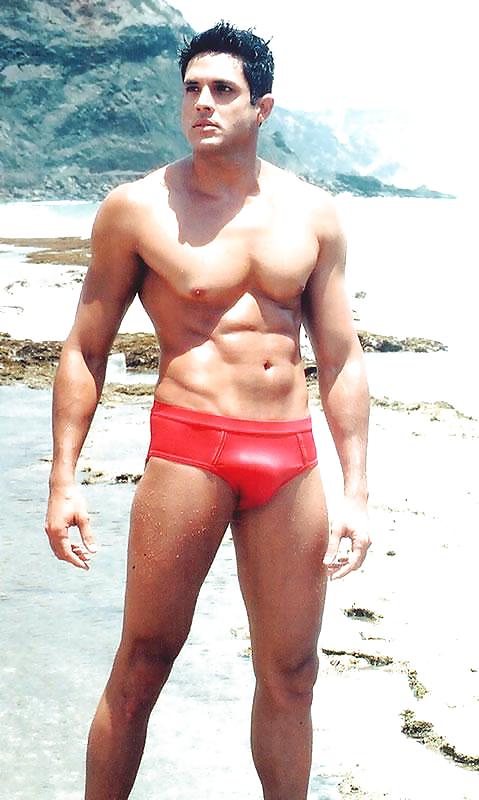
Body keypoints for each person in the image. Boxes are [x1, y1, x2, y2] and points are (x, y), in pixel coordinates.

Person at [44, 20, 370, 800]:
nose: (202, 103)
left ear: (262, 108)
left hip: (288, 459)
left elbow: (341, 359)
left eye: (223, 90)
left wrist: (357, 493)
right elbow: (85, 348)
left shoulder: (312, 214)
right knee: (144, 663)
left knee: (292, 673)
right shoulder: (136, 210)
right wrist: (62, 481)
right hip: (189, 449)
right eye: (191, 88)